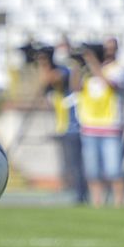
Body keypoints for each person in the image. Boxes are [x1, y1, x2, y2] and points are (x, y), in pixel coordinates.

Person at [76, 37, 124, 206]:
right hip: (89, 126)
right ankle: (96, 203)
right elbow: (75, 88)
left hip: (110, 126)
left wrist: (93, 64)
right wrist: (78, 66)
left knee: (114, 169)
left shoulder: (119, 69)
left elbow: (110, 84)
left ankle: (119, 203)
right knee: (93, 171)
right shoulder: (88, 72)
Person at [37, 45, 87, 204]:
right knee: (72, 165)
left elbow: (50, 79)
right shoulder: (67, 71)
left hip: (72, 126)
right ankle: (78, 193)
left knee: (76, 165)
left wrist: (43, 64)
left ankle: (81, 195)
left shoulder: (67, 71)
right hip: (65, 125)